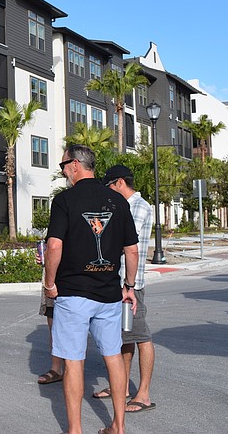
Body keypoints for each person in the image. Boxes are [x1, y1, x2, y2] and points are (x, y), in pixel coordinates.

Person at [44, 145, 139, 434]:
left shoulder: (65, 200)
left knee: (74, 361)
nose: (62, 172)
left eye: (63, 166)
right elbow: (132, 250)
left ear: (74, 165)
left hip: (73, 294)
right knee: (113, 356)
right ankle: (118, 427)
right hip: (109, 294)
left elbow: (54, 245)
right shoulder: (118, 200)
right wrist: (129, 286)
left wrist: (49, 284)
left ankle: (75, 430)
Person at [93, 165, 156, 413]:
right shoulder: (122, 206)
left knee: (142, 337)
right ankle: (121, 386)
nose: (108, 192)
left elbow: (126, 243)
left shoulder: (139, 207)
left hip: (131, 285)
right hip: (117, 282)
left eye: (109, 186)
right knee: (123, 337)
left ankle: (144, 394)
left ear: (119, 183)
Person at [36, 239, 64, 386]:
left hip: (70, 277)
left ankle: (74, 369)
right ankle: (56, 369)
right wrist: (44, 256)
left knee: (76, 327)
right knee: (53, 323)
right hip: (52, 278)